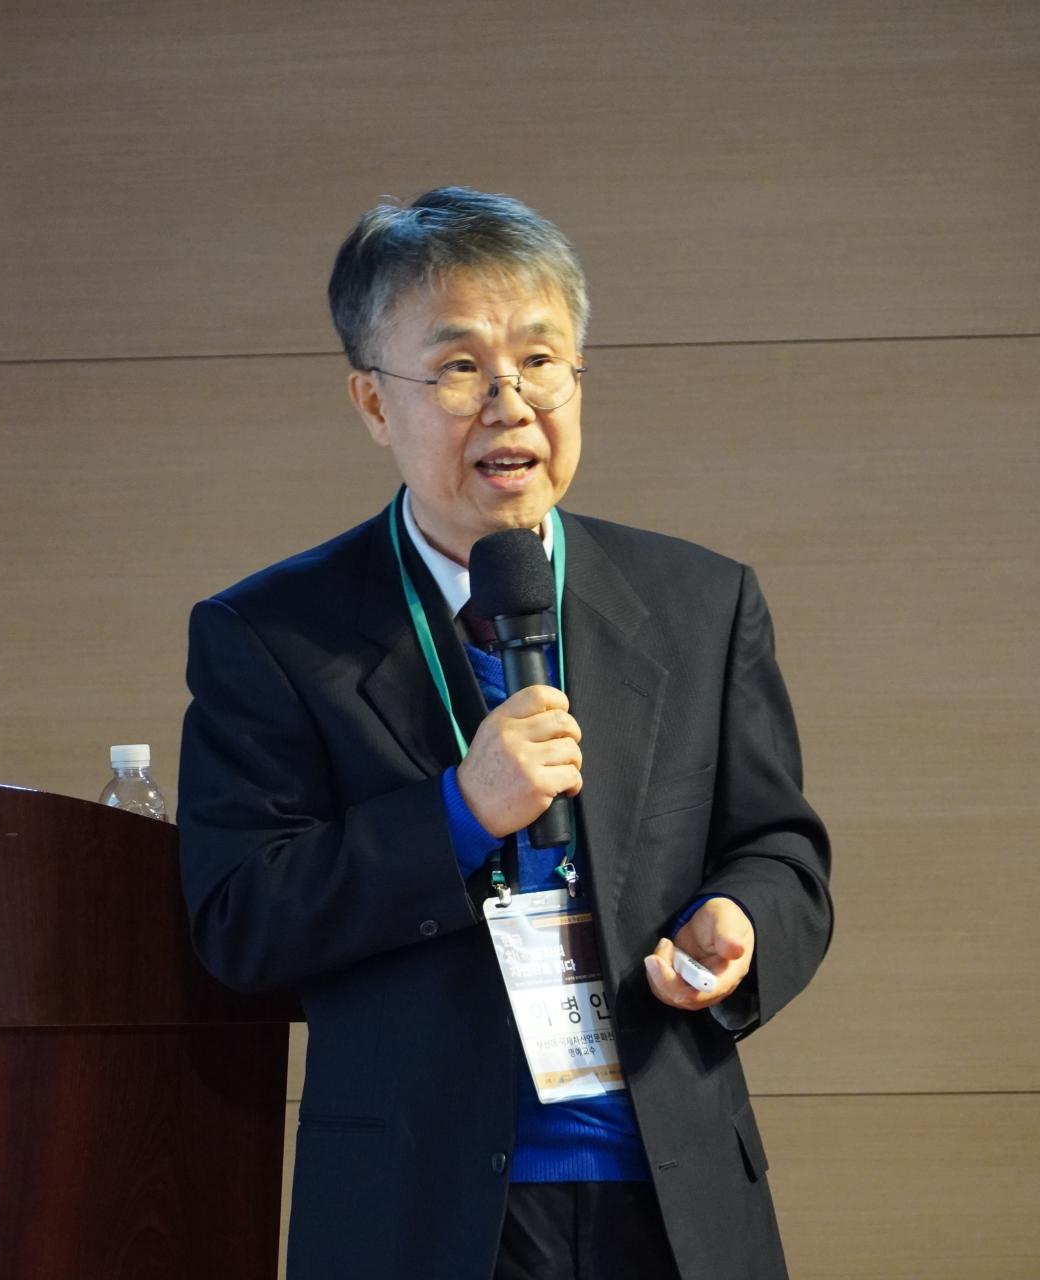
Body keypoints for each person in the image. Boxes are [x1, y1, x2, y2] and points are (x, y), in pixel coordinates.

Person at [178, 187, 832, 1280]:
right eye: (459, 367)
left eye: (540, 360)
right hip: (419, 1210)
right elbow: (242, 919)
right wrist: (457, 813)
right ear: (373, 401)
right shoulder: (273, 634)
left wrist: (744, 922)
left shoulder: (701, 602)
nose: (510, 402)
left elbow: (782, 851)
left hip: (675, 1197)